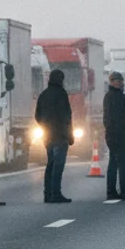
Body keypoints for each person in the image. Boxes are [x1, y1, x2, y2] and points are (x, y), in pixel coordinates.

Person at [35, 69, 74, 204]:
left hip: (47, 135)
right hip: (60, 135)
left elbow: (37, 116)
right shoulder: (61, 94)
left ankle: (48, 193)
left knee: (50, 164)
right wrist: (69, 135)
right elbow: (66, 116)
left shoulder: (44, 94)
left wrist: (44, 126)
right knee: (58, 165)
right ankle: (56, 193)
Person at [102, 71, 125, 200]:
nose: (119, 82)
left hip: (115, 134)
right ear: (111, 82)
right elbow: (112, 118)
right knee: (122, 164)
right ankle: (124, 190)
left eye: (120, 80)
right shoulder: (113, 96)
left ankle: (112, 190)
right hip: (117, 135)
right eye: (116, 80)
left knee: (114, 163)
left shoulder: (115, 95)